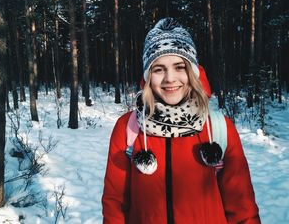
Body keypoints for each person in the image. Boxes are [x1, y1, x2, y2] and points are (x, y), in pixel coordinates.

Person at [102, 18, 261, 224]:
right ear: (148, 76)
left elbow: (242, 207)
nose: (170, 78)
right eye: (159, 69)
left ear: (193, 73)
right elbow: (114, 204)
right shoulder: (129, 128)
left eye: (179, 67)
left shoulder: (218, 127)